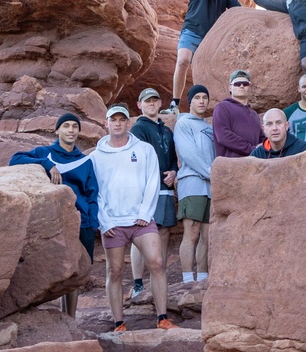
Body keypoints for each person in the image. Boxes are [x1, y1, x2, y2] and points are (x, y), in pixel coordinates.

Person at [90, 105, 178, 331]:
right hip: (113, 223)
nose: (117, 123)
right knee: (115, 271)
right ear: (106, 122)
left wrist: (144, 213)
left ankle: (162, 318)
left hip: (141, 220)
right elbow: (95, 191)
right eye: (113, 119)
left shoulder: (145, 150)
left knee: (157, 263)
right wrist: (105, 221)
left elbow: (152, 181)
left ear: (129, 122)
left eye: (122, 119)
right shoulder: (96, 157)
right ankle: (119, 323)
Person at [10, 112, 99, 317]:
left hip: (83, 222)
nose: (70, 130)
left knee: (76, 273)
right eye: (66, 126)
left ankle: (71, 319)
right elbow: (15, 159)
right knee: (60, 270)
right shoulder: (45, 152)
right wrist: (47, 164)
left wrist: (92, 222)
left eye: (74, 126)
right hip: (55, 221)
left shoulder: (85, 162)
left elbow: (93, 193)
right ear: (57, 130)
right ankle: (60, 316)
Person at [170, 0, 248, 109]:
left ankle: (212, 106)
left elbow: (237, 9)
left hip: (211, 38)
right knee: (183, 60)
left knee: (208, 73)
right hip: (192, 29)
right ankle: (174, 104)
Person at [127, 88, 178, 301]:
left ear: (159, 104)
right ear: (139, 104)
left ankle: (160, 277)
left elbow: (173, 156)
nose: (151, 104)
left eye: (155, 100)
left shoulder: (166, 130)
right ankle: (138, 283)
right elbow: (140, 160)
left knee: (164, 231)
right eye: (147, 101)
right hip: (147, 188)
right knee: (141, 234)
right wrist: (159, 176)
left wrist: (174, 172)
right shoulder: (138, 129)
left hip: (165, 188)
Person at [173, 85, 214, 284]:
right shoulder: (183, 124)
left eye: (204, 97)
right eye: (197, 97)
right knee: (192, 231)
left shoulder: (209, 127)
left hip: (210, 186)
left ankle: (203, 276)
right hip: (192, 183)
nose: (201, 101)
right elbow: (189, 154)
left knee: (207, 234)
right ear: (190, 101)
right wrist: (211, 173)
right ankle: (188, 278)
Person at [213, 70, 264, 158]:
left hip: (254, 165)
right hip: (231, 167)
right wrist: (252, 149)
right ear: (230, 88)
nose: (241, 86)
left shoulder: (254, 114)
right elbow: (223, 136)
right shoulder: (222, 108)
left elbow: (261, 138)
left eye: (245, 84)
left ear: (249, 87)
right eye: (237, 84)